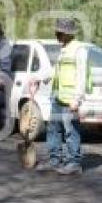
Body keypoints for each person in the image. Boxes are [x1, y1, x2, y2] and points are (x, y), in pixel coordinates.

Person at [33, 18, 89, 176]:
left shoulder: (79, 50)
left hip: (70, 99)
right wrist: (39, 78)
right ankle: (54, 160)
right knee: (53, 129)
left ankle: (74, 163)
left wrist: (77, 99)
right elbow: (55, 71)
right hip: (58, 96)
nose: (56, 34)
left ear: (67, 33)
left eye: (59, 31)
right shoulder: (64, 49)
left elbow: (82, 75)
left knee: (71, 131)